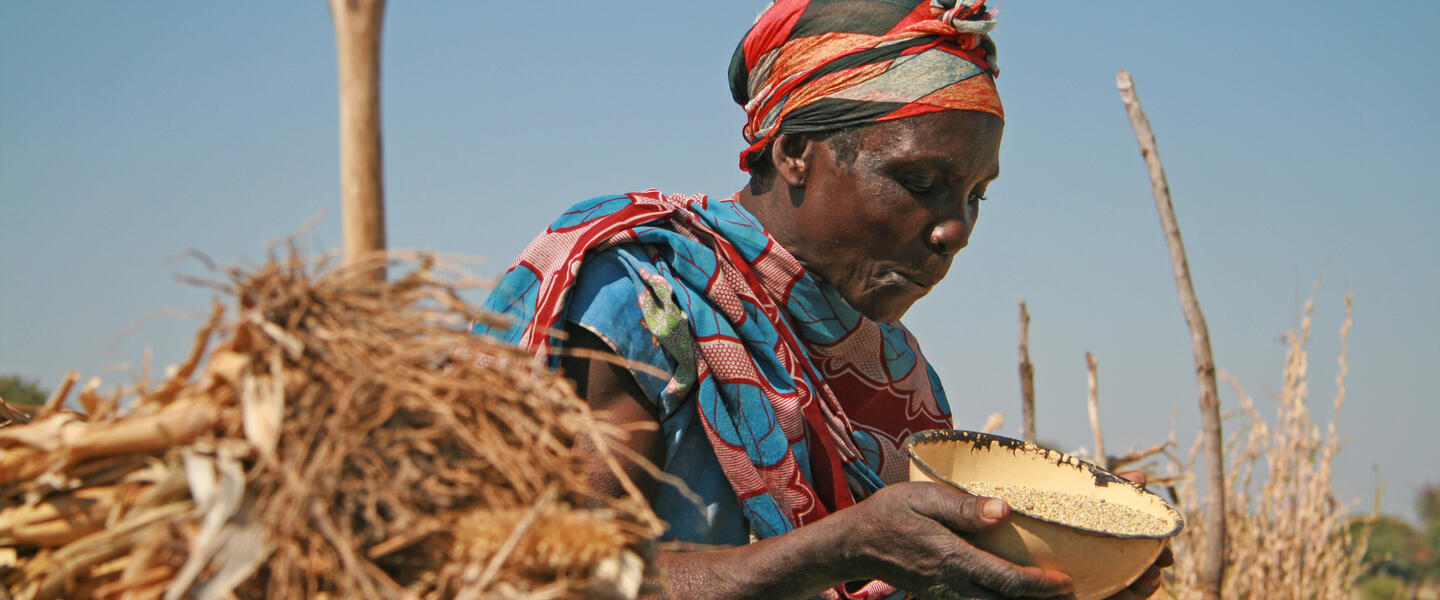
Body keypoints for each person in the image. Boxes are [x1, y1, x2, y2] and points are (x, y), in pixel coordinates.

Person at [475, 1, 1170, 598]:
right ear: (796, 151)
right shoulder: (641, 300)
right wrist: (836, 549)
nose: (955, 230)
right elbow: (545, 579)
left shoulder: (896, 372)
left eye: (975, 195)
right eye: (921, 180)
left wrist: (1051, 575)